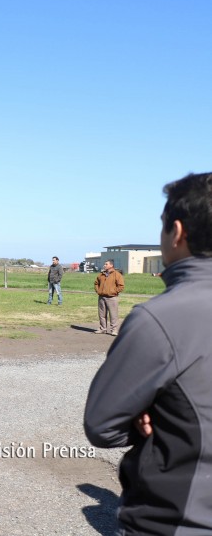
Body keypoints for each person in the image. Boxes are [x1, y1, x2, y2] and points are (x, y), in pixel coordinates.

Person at [84, 171, 212, 534]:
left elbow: (101, 425)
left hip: (181, 519)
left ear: (177, 231)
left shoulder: (161, 318)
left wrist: (148, 419)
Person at [93, 259, 125, 335]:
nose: (104, 265)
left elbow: (121, 286)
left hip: (112, 298)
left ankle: (114, 330)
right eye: (104, 264)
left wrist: (113, 292)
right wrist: (98, 291)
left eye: (106, 264)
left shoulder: (117, 274)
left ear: (111, 265)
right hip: (101, 297)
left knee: (113, 314)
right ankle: (102, 328)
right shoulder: (101, 274)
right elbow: (96, 283)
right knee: (102, 314)